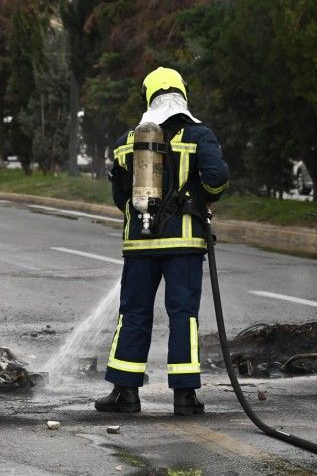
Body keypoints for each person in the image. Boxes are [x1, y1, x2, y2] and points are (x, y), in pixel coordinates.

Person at [95, 67, 229, 417]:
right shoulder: (200, 135)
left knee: (134, 314)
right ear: (183, 95)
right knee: (183, 315)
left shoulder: (129, 140)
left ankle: (125, 393)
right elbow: (217, 178)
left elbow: (120, 193)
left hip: (140, 244)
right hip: (184, 244)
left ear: (148, 97)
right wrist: (203, 197)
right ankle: (184, 397)